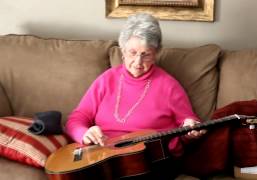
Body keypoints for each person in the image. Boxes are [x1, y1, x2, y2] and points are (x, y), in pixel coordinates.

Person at [65, 13, 205, 179]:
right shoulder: (107, 79)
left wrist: (190, 128)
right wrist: (84, 133)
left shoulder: (169, 85)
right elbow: (77, 118)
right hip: (106, 158)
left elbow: (188, 123)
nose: (138, 62)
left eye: (146, 54)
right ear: (122, 51)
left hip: (151, 160)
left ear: (156, 53)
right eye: (132, 53)